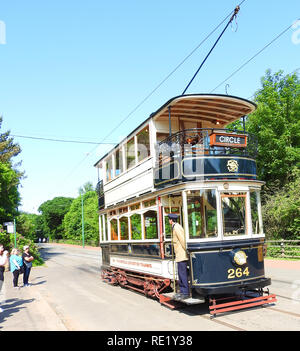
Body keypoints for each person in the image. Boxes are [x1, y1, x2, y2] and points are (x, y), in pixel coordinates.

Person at [168, 214, 189, 299]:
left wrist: (186, 250)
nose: (169, 221)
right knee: (180, 274)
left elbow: (182, 240)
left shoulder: (177, 228)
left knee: (182, 274)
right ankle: (182, 291)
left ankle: (185, 293)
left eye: (169, 220)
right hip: (179, 255)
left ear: (171, 220)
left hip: (181, 254)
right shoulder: (175, 227)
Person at [0, 244, 9, 312]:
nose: (3, 249)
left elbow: (4, 263)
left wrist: (5, 256)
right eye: (1, 247)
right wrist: (5, 256)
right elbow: (2, 263)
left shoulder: (2, 255)